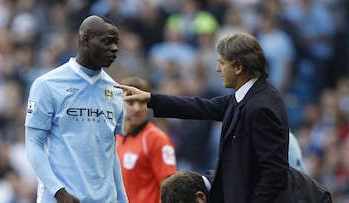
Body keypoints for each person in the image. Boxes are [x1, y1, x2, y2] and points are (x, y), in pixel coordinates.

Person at [115, 32, 292, 202]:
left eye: (222, 63)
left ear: (238, 68)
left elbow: (274, 174)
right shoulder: (248, 96)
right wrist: (151, 99)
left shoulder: (261, 106)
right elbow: (201, 107)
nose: (217, 69)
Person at [24, 15, 128, 203]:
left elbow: (110, 151)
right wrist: (58, 191)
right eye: (107, 42)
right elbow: (33, 144)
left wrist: (122, 199)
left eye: (116, 43)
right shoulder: (47, 85)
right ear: (85, 40)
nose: (114, 48)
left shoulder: (115, 91)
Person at [116, 77, 177, 203]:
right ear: (118, 102)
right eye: (131, 102)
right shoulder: (113, 137)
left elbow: (169, 189)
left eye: (142, 102)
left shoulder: (157, 139)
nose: (137, 109)